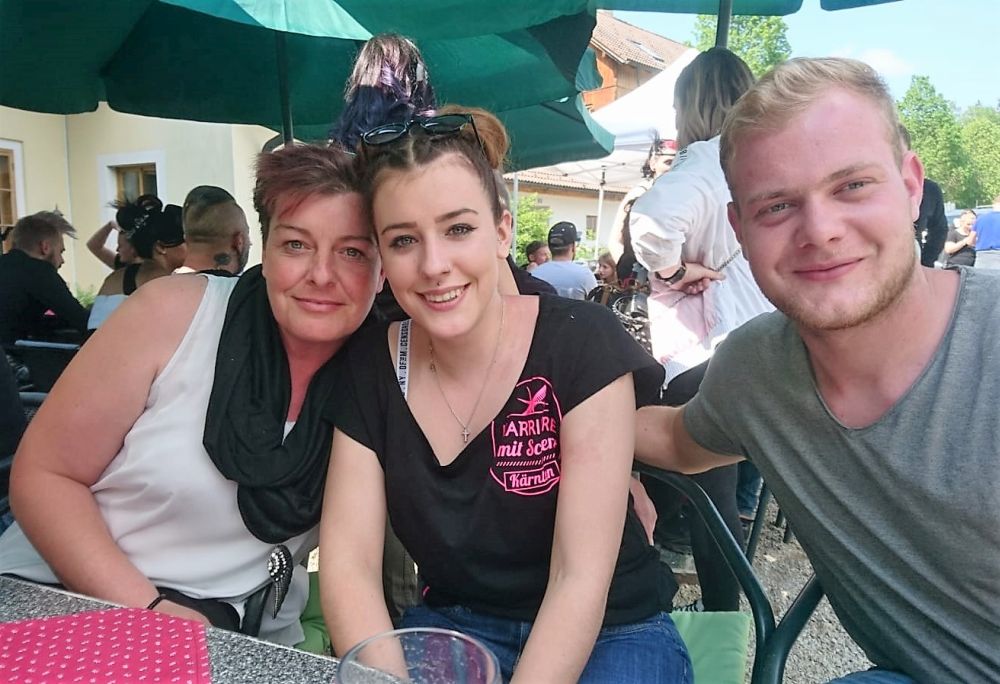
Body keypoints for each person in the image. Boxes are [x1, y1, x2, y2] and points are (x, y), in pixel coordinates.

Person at [636, 56, 1000, 683]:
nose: (821, 231)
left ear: (911, 186)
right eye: (777, 206)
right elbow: (674, 439)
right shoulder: (756, 367)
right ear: (740, 228)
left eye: (852, 186)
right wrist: (549, 410)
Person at [320, 110, 691, 682]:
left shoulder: (580, 343)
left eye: (458, 230)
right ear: (382, 258)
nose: (434, 265)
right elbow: (349, 567)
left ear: (502, 232)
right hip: (454, 624)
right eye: (403, 240)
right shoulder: (371, 366)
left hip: (612, 627)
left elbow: (578, 579)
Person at [0, 144, 383, 646]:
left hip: (231, 631)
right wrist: (152, 613)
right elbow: (45, 475)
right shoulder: (176, 313)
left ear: (383, 269)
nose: (321, 274)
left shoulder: (381, 375)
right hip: (65, 596)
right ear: (263, 252)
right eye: (296, 244)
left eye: (352, 251)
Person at [628, 47, 774, 612]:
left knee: (701, 494)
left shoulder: (706, 161)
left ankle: (715, 621)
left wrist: (670, 270)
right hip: (759, 342)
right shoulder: (758, 161)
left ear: (690, 104)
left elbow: (652, 220)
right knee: (691, 485)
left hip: (706, 349)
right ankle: (685, 606)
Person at [87, 198, 188, 330]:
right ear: (161, 247)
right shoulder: (159, 280)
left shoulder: (118, 277)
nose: (192, 247)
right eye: (185, 241)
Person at [0, 211, 89, 347]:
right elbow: (81, 320)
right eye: (60, 252)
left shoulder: (6, 265)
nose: (62, 260)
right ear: (45, 247)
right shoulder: (39, 272)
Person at [610, 138, 678, 284]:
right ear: (653, 163)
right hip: (640, 279)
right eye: (668, 162)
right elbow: (615, 241)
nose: (673, 168)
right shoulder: (639, 193)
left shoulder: (680, 196)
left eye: (678, 163)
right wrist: (629, 273)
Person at [177, 185, 252, 276]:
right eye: (247, 233)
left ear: (185, 239)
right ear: (239, 242)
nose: (250, 243)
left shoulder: (163, 282)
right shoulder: (246, 284)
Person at [530, 221, 598, 300]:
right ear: (573, 247)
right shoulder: (585, 275)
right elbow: (596, 303)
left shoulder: (534, 274)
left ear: (550, 248)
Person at [973, 195, 1000, 269]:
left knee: (981, 275)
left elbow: (970, 240)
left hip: (982, 256)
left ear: (994, 204)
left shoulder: (980, 218)